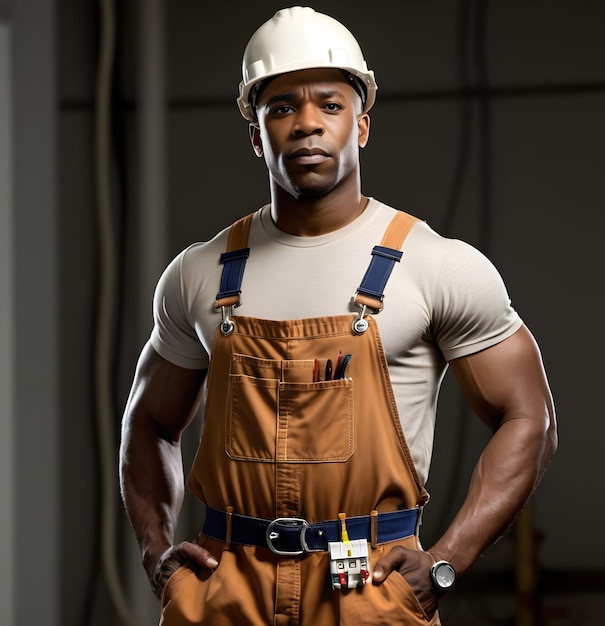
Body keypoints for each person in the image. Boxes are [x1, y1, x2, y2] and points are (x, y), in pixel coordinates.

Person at [119, 6, 557, 626]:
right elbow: (149, 421)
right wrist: (156, 551)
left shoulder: (435, 266)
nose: (306, 125)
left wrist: (446, 559)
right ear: (256, 134)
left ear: (362, 126)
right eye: (280, 107)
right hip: (225, 592)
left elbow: (530, 416)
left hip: (369, 591)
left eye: (329, 104)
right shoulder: (200, 273)